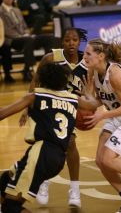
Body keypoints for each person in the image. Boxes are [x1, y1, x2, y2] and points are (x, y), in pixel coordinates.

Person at [0, 60, 97, 213]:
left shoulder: (34, 96)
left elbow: (2, 113)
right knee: (6, 179)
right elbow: (93, 105)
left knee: (11, 207)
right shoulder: (73, 99)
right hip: (58, 159)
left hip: (41, 154)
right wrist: (88, 94)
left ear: (42, 80)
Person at [19, 27, 88, 207]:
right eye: (67, 40)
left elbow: (91, 90)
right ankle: (43, 182)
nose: (71, 43)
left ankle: (75, 190)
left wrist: (90, 105)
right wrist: (27, 107)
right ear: (62, 42)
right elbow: (35, 81)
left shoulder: (87, 62)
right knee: (43, 145)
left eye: (74, 40)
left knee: (70, 143)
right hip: (46, 105)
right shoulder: (51, 58)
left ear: (79, 42)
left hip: (67, 108)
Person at [83, 38, 121, 213]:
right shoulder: (93, 72)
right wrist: (76, 101)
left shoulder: (115, 73)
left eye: (88, 53)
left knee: (108, 159)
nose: (84, 56)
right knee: (100, 161)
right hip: (115, 117)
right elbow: (97, 101)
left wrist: (102, 114)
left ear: (101, 56)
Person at [0, 0, 54, 82]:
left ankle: (47, 68)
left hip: (25, 38)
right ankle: (27, 69)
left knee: (48, 38)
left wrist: (26, 33)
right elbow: (5, 30)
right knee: (28, 40)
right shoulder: (1, 11)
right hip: (11, 40)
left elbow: (24, 26)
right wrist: (22, 36)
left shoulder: (16, 10)